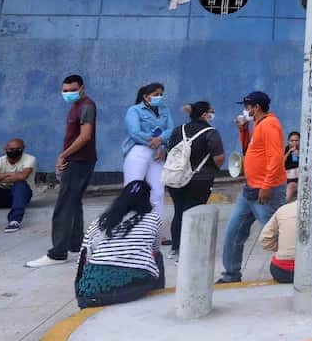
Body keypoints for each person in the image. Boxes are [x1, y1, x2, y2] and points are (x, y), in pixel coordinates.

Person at [27, 74, 98, 268]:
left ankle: (58, 253)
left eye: (72, 90)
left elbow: (85, 136)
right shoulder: (75, 107)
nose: (68, 93)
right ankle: (76, 244)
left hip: (79, 161)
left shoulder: (87, 106)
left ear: (82, 88)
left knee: (64, 205)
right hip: (77, 159)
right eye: (65, 90)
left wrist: (63, 155)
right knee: (74, 203)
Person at [218, 91, 286, 283]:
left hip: (266, 190)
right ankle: (231, 275)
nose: (244, 111)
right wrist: (243, 130)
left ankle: (294, 265)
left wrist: (266, 186)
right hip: (250, 189)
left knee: (277, 234)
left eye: (247, 107)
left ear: (256, 108)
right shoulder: (258, 124)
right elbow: (249, 151)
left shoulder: (270, 125)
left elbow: (275, 158)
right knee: (234, 232)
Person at [74, 180, 164, 309]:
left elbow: (83, 258)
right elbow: (155, 249)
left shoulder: (99, 222)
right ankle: (158, 297)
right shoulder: (153, 218)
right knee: (157, 256)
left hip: (92, 291)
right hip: (134, 285)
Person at [165, 101, 224, 260]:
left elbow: (170, 151)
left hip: (176, 178)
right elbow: (219, 158)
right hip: (200, 179)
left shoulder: (179, 130)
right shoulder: (211, 133)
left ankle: (175, 248)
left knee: (179, 211)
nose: (212, 114)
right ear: (204, 115)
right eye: (211, 111)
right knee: (194, 214)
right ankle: (190, 251)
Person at [122, 82, 173, 222]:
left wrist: (161, 142)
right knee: (132, 189)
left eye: (161, 94)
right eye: (156, 94)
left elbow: (170, 130)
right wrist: (154, 141)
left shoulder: (165, 110)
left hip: (158, 153)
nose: (159, 97)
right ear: (145, 96)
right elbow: (134, 132)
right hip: (139, 150)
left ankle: (155, 227)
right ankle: (128, 225)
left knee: (158, 192)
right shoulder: (134, 110)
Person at [259, 197, 298, 283]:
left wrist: (283, 247)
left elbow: (264, 240)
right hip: (310, 272)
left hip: (281, 271)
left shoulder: (283, 209)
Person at [284, 131, 301, 201]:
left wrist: (300, 155)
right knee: (290, 189)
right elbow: (281, 163)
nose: (294, 142)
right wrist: (289, 152)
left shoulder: (304, 149)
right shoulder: (286, 149)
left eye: (296, 140)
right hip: (290, 180)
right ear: (288, 142)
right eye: (292, 141)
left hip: (301, 179)